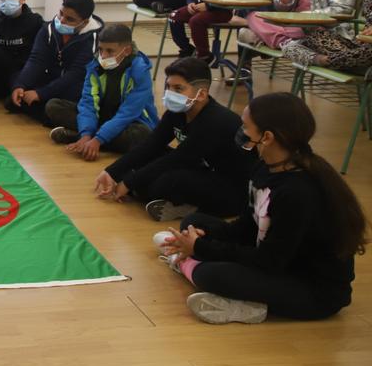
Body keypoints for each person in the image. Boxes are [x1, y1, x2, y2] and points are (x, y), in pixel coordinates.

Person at [155, 93, 366, 324]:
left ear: (266, 137)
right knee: (193, 222)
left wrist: (200, 247)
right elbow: (247, 226)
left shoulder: (298, 192)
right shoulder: (265, 167)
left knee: (211, 274)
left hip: (311, 291)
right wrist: (202, 239)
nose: (241, 131)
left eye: (245, 126)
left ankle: (186, 261)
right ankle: (187, 257)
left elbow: (269, 261)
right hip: (277, 261)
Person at [95, 57, 252, 222]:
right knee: (146, 161)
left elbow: (177, 159)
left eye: (178, 88)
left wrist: (128, 182)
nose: (170, 93)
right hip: (200, 167)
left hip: (229, 189)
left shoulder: (215, 121)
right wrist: (111, 172)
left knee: (163, 182)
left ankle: (192, 208)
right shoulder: (177, 112)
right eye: (168, 87)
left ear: (202, 94)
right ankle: (171, 200)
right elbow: (152, 145)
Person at [46, 24, 158, 160]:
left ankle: (81, 138)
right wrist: (86, 134)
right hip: (103, 117)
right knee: (54, 106)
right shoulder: (94, 66)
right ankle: (88, 138)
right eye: (100, 49)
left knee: (142, 136)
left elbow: (127, 114)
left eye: (110, 51)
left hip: (131, 122)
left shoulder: (140, 71)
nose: (103, 56)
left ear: (127, 50)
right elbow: (88, 104)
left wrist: (98, 139)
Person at [6, 0, 102, 125]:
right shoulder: (49, 28)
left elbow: (75, 75)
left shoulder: (94, 39)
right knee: (16, 78)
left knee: (60, 99)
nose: (62, 20)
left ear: (85, 22)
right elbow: (36, 59)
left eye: (70, 19)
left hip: (77, 85)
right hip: (53, 79)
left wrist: (40, 93)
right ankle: (46, 113)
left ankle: (50, 114)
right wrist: (20, 85)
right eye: (61, 13)